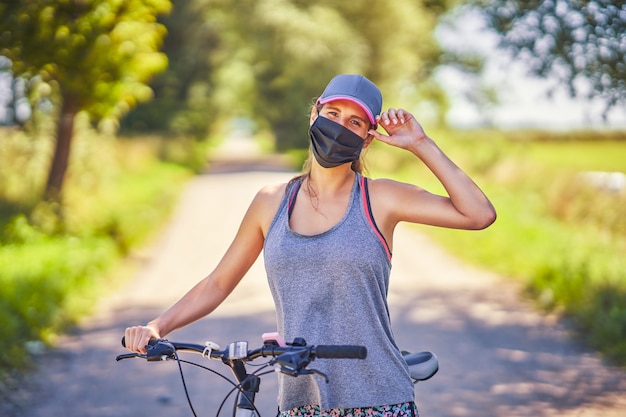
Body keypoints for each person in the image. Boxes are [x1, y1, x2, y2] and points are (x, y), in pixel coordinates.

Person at [124, 74, 496, 417]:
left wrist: (421, 144)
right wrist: (157, 326)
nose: (339, 128)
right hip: (299, 400)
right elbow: (218, 283)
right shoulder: (271, 202)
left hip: (379, 397)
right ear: (315, 112)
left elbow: (478, 214)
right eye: (332, 113)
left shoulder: (380, 198)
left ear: (368, 136)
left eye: (354, 122)